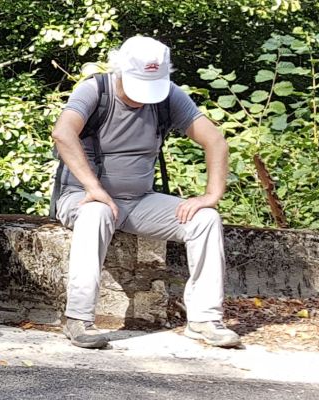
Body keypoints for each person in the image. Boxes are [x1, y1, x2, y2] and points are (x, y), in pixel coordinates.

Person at [50, 36, 238, 349]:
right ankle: (78, 319)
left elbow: (216, 141)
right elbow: (62, 132)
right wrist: (94, 188)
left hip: (138, 200)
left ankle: (204, 319)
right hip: (82, 196)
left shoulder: (168, 96)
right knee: (96, 212)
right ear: (120, 69)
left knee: (205, 219)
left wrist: (211, 195)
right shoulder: (96, 90)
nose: (143, 97)